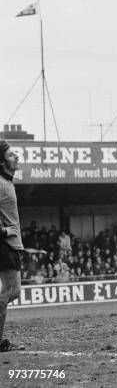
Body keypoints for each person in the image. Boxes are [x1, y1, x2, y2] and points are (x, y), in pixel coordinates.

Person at [0, 140, 25, 351]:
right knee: (8, 290)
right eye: (10, 155)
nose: (16, 157)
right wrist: (2, 230)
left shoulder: (8, 182)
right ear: (1, 162)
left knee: (14, 291)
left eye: (15, 153)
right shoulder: (0, 183)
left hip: (13, 245)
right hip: (4, 244)